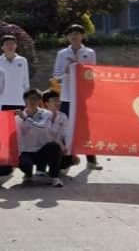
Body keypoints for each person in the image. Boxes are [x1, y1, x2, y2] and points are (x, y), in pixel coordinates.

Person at [53, 24, 101, 170]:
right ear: (67, 37)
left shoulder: (89, 53)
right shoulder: (62, 53)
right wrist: (68, 70)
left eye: (77, 34)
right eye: (71, 34)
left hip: (82, 97)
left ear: (83, 36)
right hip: (67, 96)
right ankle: (65, 160)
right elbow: (56, 74)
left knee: (85, 128)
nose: (74, 36)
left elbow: (93, 74)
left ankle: (91, 160)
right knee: (65, 127)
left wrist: (81, 70)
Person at [16, 90, 64, 187]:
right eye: (30, 99)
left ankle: (54, 177)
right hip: (27, 151)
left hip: (42, 151)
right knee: (24, 164)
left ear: (39, 101)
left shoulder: (46, 114)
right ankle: (28, 173)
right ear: (25, 100)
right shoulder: (17, 118)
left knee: (54, 146)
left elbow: (41, 125)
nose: (33, 101)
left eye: (36, 99)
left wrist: (25, 118)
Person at [0, 35, 31, 110]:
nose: (10, 46)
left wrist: (27, 99)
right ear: (2, 47)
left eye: (12, 43)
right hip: (2, 101)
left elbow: (26, 81)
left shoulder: (23, 60)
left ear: (16, 46)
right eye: (7, 44)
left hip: (19, 101)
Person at [41, 90, 73, 175]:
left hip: (57, 148)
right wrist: (60, 144)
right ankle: (41, 167)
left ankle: (56, 167)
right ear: (46, 103)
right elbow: (46, 134)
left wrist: (71, 151)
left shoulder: (63, 116)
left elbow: (66, 135)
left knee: (70, 159)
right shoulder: (40, 116)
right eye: (55, 100)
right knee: (53, 147)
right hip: (42, 147)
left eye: (59, 100)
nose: (58, 103)